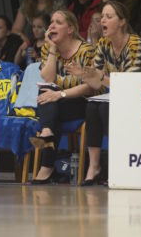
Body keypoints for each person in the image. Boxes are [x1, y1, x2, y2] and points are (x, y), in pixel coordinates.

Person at [65, 1, 141, 186]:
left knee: (105, 109)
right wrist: (84, 74)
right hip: (117, 97)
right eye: (102, 16)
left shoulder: (136, 44)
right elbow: (97, 82)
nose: (102, 20)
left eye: (109, 17)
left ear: (122, 22)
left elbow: (129, 84)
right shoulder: (103, 44)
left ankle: (120, 164)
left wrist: (98, 76)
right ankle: (94, 167)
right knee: (91, 107)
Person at [29, 10, 95, 184]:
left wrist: (60, 94)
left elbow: (90, 87)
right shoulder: (47, 49)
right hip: (57, 103)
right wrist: (52, 48)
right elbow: (48, 79)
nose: (51, 26)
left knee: (49, 101)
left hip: (81, 102)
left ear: (70, 29)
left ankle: (46, 163)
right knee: (46, 96)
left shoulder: (86, 51)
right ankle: (47, 132)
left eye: (58, 22)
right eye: (51, 22)